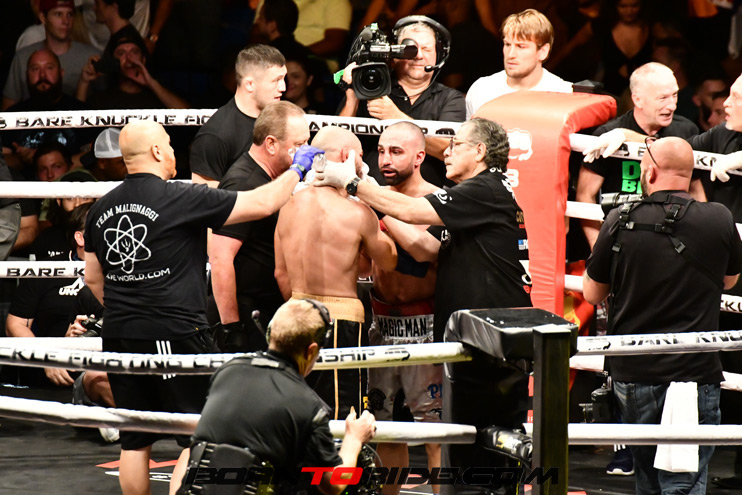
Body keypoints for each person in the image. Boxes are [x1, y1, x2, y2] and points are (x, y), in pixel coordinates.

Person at [83, 119, 322, 495]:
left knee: (135, 437)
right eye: (168, 144)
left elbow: (93, 277)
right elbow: (262, 203)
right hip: (174, 330)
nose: (172, 151)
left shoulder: (100, 209)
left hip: (119, 333)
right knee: (198, 430)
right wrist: (298, 168)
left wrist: (128, 310)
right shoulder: (182, 197)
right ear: (157, 151)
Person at [314, 118, 532, 486]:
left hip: (485, 340)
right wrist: (371, 196)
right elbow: (421, 246)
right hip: (456, 333)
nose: (446, 152)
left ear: (479, 151)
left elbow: (415, 218)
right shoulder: (478, 195)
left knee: (458, 436)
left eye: (456, 145)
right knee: (442, 435)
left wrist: (355, 184)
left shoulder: (483, 190)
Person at [582, 136, 742, 495]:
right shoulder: (719, 218)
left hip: (635, 369)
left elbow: (592, 293)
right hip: (694, 369)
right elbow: (729, 280)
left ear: (650, 172)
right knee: (684, 480)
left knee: (649, 478)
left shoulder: (620, 219)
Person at [177, 299, 377, 495]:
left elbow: (200, 446)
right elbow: (332, 484)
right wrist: (354, 438)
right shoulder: (307, 404)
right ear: (311, 351)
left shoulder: (227, 372)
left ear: (269, 334)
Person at [274, 126, 398, 420]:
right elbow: (389, 260)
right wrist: (372, 201)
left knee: (297, 411)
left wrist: (303, 307)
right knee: (343, 415)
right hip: (339, 321)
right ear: (347, 156)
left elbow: (281, 273)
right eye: (360, 157)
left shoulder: (287, 205)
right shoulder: (357, 212)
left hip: (293, 314)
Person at [367, 121, 442, 495]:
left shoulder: (438, 202)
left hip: (425, 325)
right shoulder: (370, 197)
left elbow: (427, 254)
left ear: (419, 156)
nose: (385, 159)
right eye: (381, 151)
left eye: (396, 152)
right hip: (381, 325)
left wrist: (378, 207)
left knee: (436, 431)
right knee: (383, 429)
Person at [210, 101, 310, 352]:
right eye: (299, 145)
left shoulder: (272, 179)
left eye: (307, 143)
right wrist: (232, 327)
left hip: (266, 309)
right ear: (271, 144)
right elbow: (220, 257)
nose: (305, 152)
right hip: (247, 313)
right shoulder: (243, 182)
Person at [578, 62, 700, 249]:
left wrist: (695, 244)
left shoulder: (686, 130)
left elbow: (697, 192)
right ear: (638, 99)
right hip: (622, 236)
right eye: (663, 98)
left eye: (675, 95)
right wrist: (599, 249)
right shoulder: (607, 135)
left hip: (672, 240)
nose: (672, 105)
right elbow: (585, 195)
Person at [338, 15, 464, 187]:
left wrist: (396, 117)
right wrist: (352, 96)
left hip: (425, 199)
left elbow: (449, 151)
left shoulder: (450, 99)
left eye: (427, 49)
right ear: (394, 53)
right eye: (410, 49)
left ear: (438, 55)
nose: (419, 56)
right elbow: (337, 144)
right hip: (367, 193)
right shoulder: (370, 87)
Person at [190, 44, 286, 187]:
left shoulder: (281, 121)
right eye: (276, 80)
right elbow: (206, 197)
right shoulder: (215, 136)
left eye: (283, 78)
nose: (283, 87)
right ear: (249, 84)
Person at [465, 8, 572, 119]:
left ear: (543, 52)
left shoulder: (565, 95)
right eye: (507, 44)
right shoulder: (481, 90)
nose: (511, 54)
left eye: (521, 46)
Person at [1, 49, 92, 174]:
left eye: (49, 68)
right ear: (26, 75)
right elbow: (3, 159)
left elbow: (93, 154)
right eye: (35, 69)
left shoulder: (81, 111)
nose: (42, 75)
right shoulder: (12, 115)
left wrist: (47, 161)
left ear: (61, 73)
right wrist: (20, 160)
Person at [2, 0, 100, 110]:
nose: (66, 21)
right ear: (43, 18)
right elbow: (7, 111)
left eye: (69, 14)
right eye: (58, 14)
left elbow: (106, 105)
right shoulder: (22, 58)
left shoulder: (91, 57)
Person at [76, 28, 189, 109]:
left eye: (134, 52)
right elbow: (76, 125)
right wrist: (84, 82)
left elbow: (187, 115)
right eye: (121, 53)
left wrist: (150, 83)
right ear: (113, 61)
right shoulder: (101, 100)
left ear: (143, 60)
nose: (129, 58)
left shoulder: (158, 97)